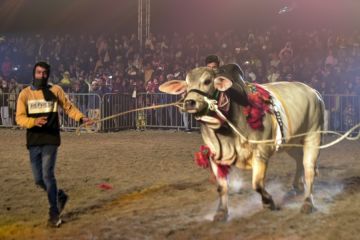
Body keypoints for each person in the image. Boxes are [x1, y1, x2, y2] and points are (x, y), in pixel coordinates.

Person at [16, 62, 93, 228]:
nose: (41, 76)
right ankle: (59, 195)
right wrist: (33, 121)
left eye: (44, 73)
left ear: (48, 74)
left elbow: (68, 107)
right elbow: (19, 118)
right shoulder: (25, 94)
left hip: (51, 139)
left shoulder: (56, 90)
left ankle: (54, 212)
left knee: (47, 175)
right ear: (34, 73)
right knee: (38, 180)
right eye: (38, 72)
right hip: (34, 140)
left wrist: (81, 118)